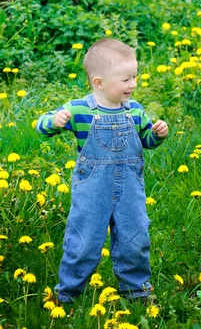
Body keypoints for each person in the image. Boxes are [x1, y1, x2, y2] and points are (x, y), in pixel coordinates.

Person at [36, 38, 169, 303]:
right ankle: (68, 294)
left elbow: (147, 142)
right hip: (92, 190)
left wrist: (158, 134)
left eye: (134, 77)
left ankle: (137, 290)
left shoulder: (135, 111)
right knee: (84, 241)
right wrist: (54, 120)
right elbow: (41, 126)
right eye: (125, 79)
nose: (133, 84)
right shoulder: (79, 109)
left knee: (135, 238)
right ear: (99, 83)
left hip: (129, 189)